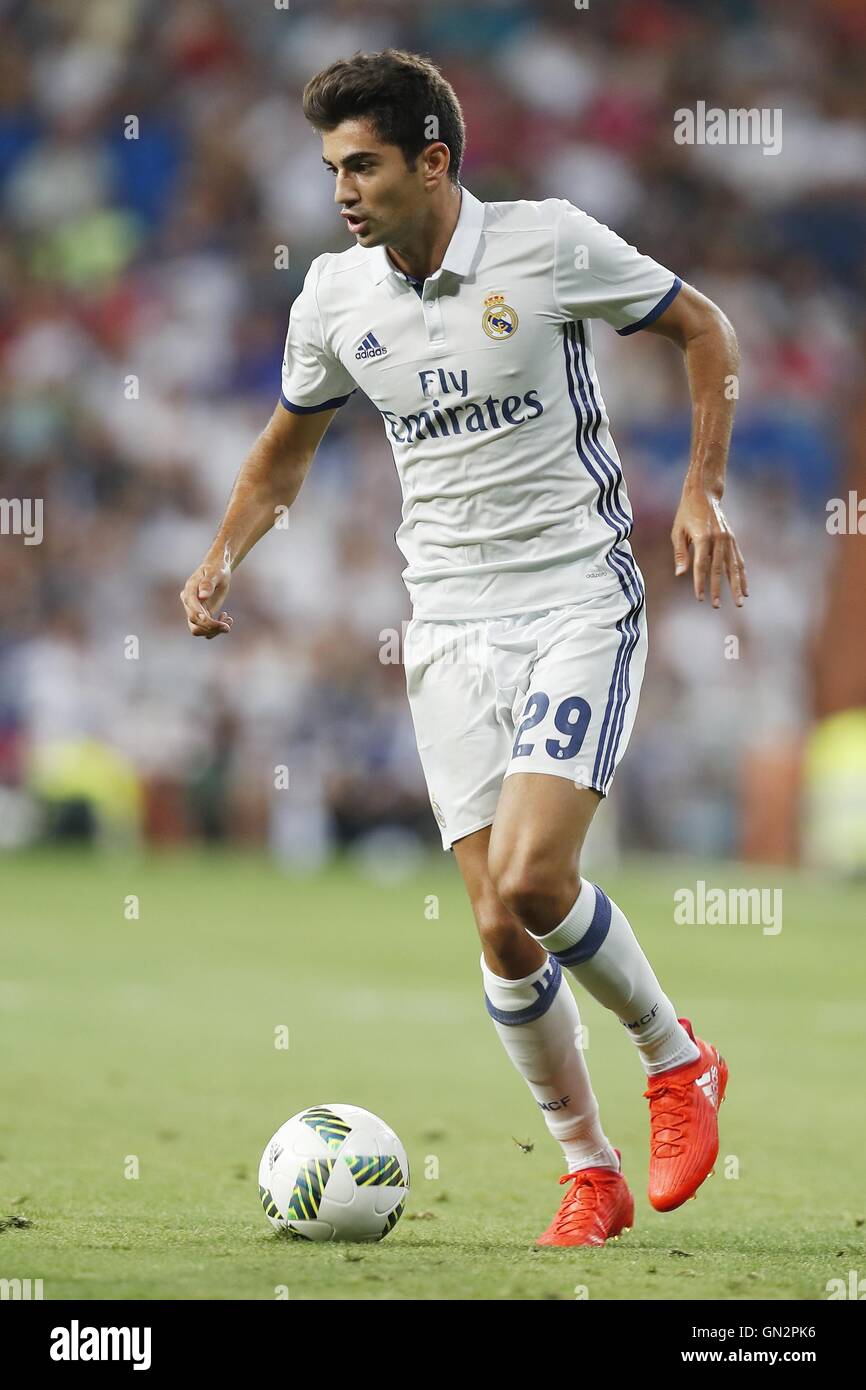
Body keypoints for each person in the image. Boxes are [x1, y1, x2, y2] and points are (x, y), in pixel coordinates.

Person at [180, 49, 748, 1247]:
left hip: (573, 598)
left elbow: (703, 329)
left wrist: (699, 492)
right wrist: (224, 553)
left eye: (364, 164)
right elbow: (287, 445)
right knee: (496, 923)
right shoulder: (334, 297)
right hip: (442, 625)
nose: (341, 189)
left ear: (432, 160)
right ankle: (586, 1169)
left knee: (539, 883)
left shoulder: (546, 245)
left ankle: (674, 1056)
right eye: (331, 167)